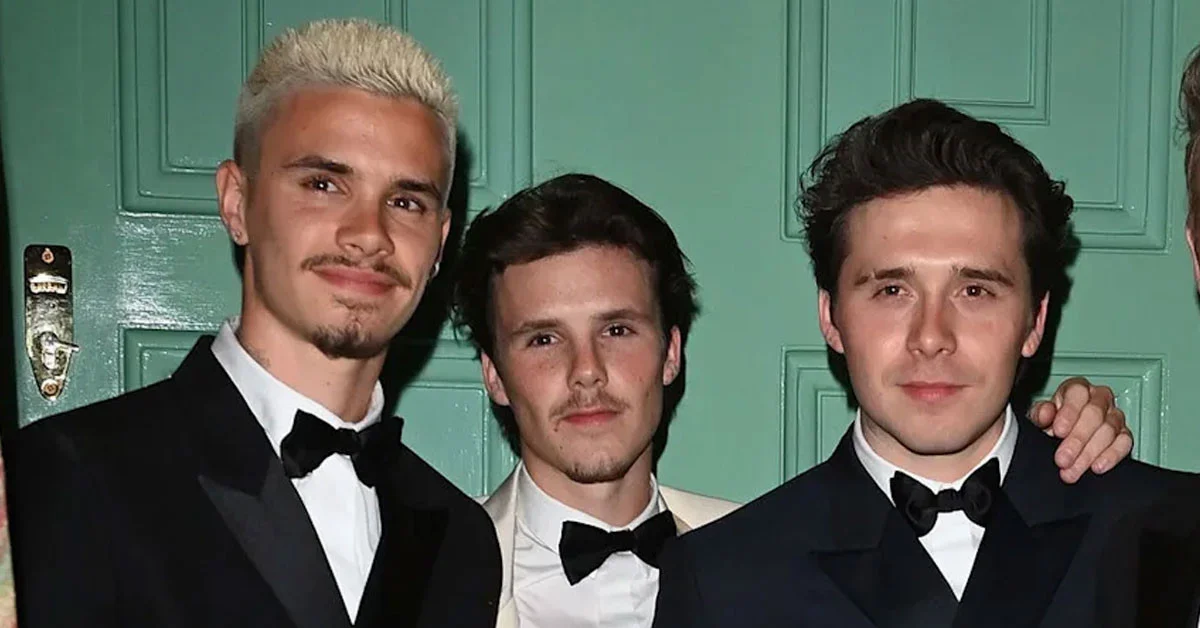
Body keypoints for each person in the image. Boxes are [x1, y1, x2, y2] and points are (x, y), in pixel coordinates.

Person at [452, 173, 1135, 628]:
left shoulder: (741, 549)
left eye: (618, 330)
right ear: (493, 374)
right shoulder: (431, 576)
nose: (587, 373)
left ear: (671, 351)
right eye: (543, 339)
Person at [8, 19, 500, 628]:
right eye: (324, 184)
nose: (369, 234)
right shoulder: (66, 477)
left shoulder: (463, 538)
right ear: (236, 203)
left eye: (405, 202)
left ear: (440, 242)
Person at [651, 98, 1191, 628]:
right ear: (831, 317)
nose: (931, 338)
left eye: (975, 291)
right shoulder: (721, 578)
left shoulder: (1166, 527)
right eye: (892, 291)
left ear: (1035, 321)